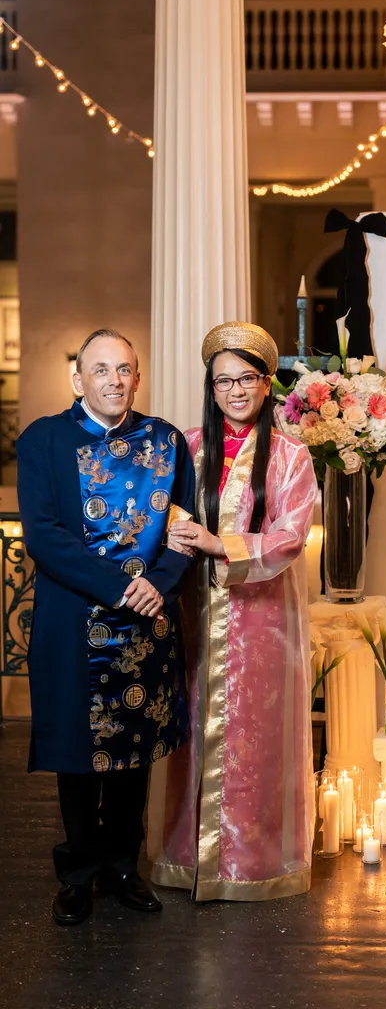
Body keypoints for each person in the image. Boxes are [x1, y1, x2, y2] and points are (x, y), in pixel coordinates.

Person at [16, 329, 196, 926]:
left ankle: (122, 866)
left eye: (124, 369)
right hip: (75, 622)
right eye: (100, 369)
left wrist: (160, 581)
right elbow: (43, 536)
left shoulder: (167, 442)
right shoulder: (44, 440)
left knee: (134, 750)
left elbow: (188, 530)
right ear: (78, 380)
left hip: (145, 621)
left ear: (137, 378)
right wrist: (120, 585)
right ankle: (78, 873)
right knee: (77, 752)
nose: (114, 380)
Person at [151, 321, 316, 902]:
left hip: (262, 620)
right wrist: (179, 533)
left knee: (254, 737)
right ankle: (182, 858)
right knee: (192, 731)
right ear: (211, 387)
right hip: (196, 614)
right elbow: (162, 513)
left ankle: (249, 864)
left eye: (246, 378)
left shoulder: (292, 456)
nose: (235, 391)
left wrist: (222, 543)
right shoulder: (189, 448)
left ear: (268, 384)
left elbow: (292, 534)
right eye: (223, 381)